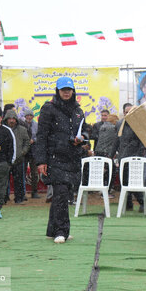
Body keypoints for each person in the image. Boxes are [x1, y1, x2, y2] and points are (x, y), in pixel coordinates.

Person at [35, 76, 89, 244]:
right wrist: (41, 161)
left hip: (72, 157)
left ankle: (53, 229)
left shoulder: (79, 110)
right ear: (58, 91)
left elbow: (86, 130)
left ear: (73, 91)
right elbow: (41, 136)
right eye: (63, 89)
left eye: (69, 89)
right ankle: (61, 231)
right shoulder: (48, 109)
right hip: (54, 157)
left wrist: (83, 138)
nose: (66, 92)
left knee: (63, 194)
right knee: (61, 193)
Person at [111, 103, 146, 211]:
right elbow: (116, 141)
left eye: (131, 112)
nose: (129, 114)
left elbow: (142, 143)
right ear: (124, 112)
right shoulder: (119, 124)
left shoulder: (139, 125)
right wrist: (111, 155)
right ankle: (128, 204)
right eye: (127, 112)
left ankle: (142, 202)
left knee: (134, 182)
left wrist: (139, 156)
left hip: (134, 158)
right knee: (123, 181)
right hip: (122, 157)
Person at [3, 109, 30, 204]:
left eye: (13, 118)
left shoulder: (22, 130)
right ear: (6, 119)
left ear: (16, 120)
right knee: (3, 180)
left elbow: (27, 142)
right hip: (5, 160)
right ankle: (3, 198)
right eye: (9, 118)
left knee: (18, 180)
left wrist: (23, 152)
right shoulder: (2, 129)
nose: (11, 120)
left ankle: (19, 198)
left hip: (19, 159)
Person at [24, 109, 40, 198]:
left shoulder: (37, 125)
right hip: (25, 151)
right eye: (27, 115)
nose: (29, 117)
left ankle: (34, 192)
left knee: (34, 172)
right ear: (25, 117)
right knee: (23, 172)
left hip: (34, 150)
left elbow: (39, 136)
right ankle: (23, 192)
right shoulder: (22, 125)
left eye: (30, 115)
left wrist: (33, 140)